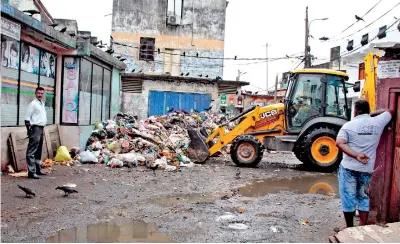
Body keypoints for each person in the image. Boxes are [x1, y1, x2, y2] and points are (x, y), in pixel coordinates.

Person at [336, 100, 393, 228]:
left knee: (348, 197)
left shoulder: (348, 125)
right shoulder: (378, 122)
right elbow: (390, 111)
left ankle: (349, 228)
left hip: (348, 168)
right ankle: (363, 226)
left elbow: (340, 142)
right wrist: (372, 114)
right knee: (363, 196)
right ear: (368, 110)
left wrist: (356, 155)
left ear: (355, 111)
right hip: (367, 168)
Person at [25, 87, 48, 179]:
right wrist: (29, 130)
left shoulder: (41, 103)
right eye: (39, 93)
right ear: (35, 93)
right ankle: (31, 172)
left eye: (42, 93)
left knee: (38, 150)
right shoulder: (33, 104)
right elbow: (27, 119)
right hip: (35, 128)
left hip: (41, 128)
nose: (40, 95)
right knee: (31, 151)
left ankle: (38, 170)